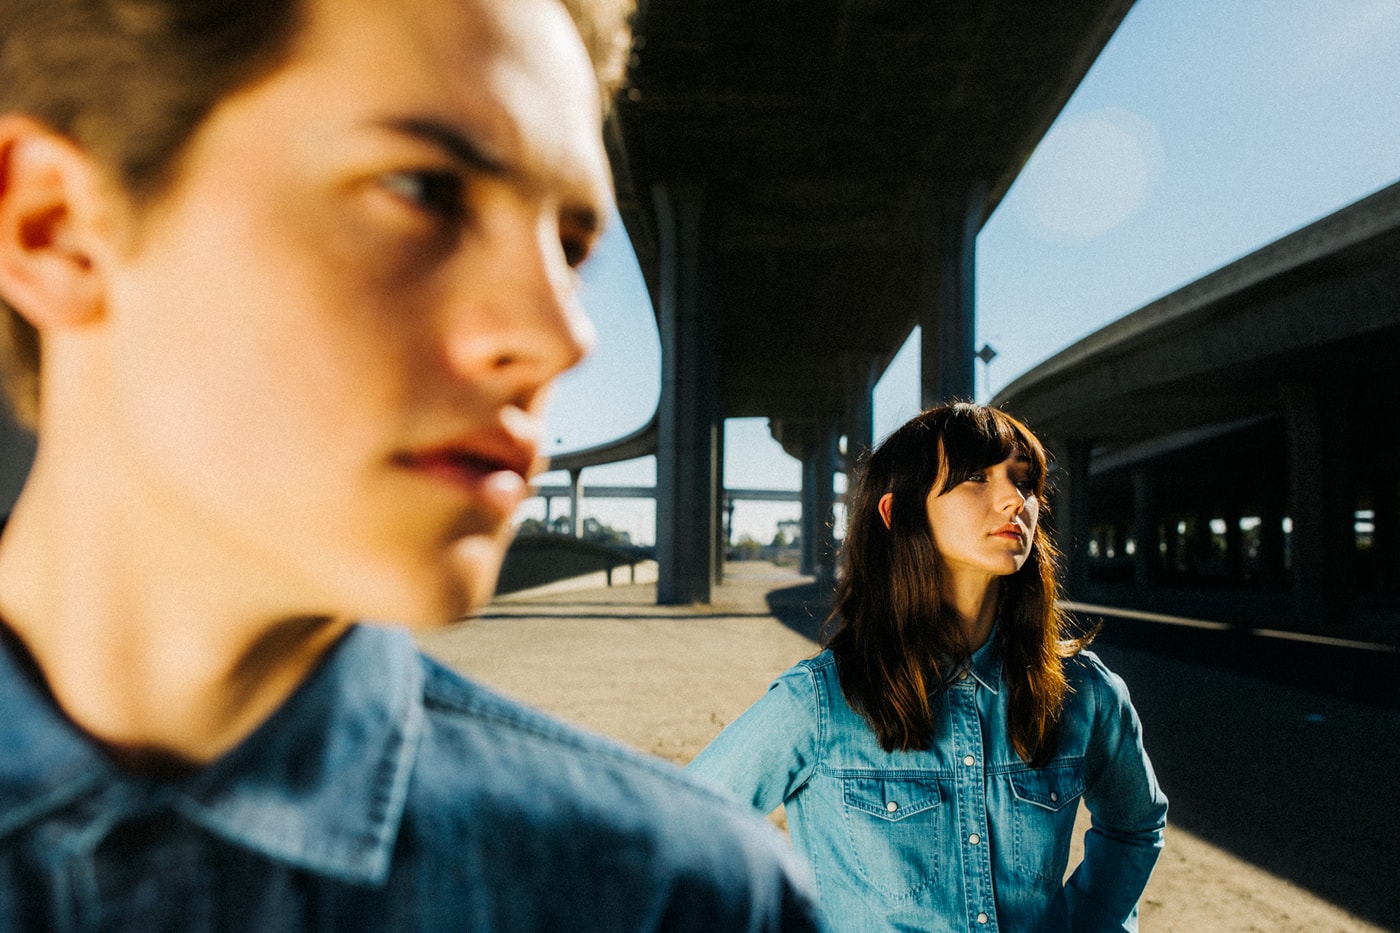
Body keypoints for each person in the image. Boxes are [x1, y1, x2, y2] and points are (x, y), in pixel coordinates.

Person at [0, 0, 823, 929]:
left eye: (568, 246)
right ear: (55, 227)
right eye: (424, 190)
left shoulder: (687, 899)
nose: (562, 335)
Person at [687, 403, 1167, 932]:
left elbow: (1134, 825)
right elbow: (678, 834)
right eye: (976, 477)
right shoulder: (821, 702)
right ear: (897, 513)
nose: (1015, 499)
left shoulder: (1084, 691)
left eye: (1024, 481)